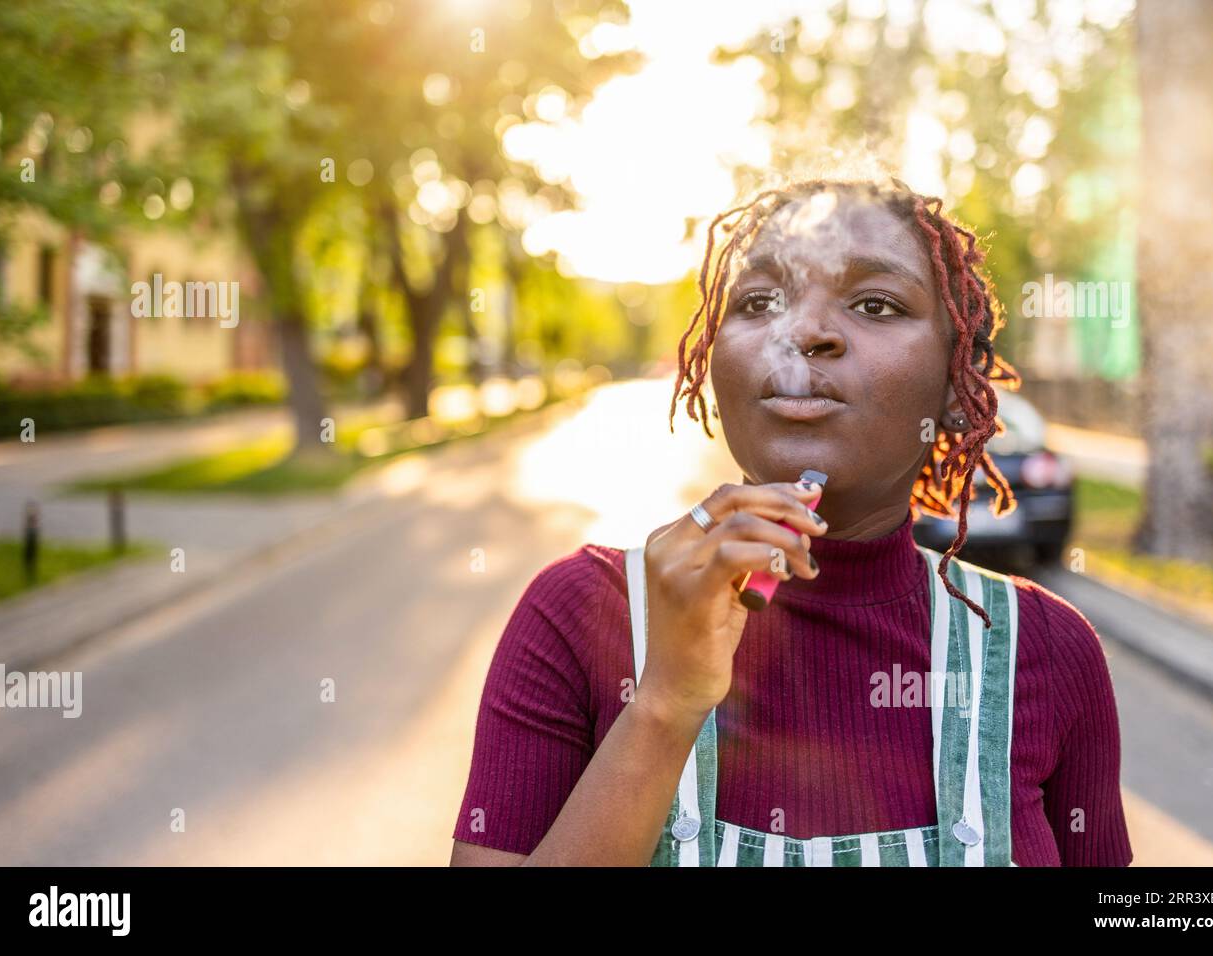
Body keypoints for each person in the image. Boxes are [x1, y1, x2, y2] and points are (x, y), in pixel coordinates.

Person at [449, 174, 1133, 867]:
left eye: (875, 303)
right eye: (760, 301)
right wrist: (665, 703)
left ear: (958, 387)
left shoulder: (1046, 650)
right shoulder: (578, 614)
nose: (802, 332)